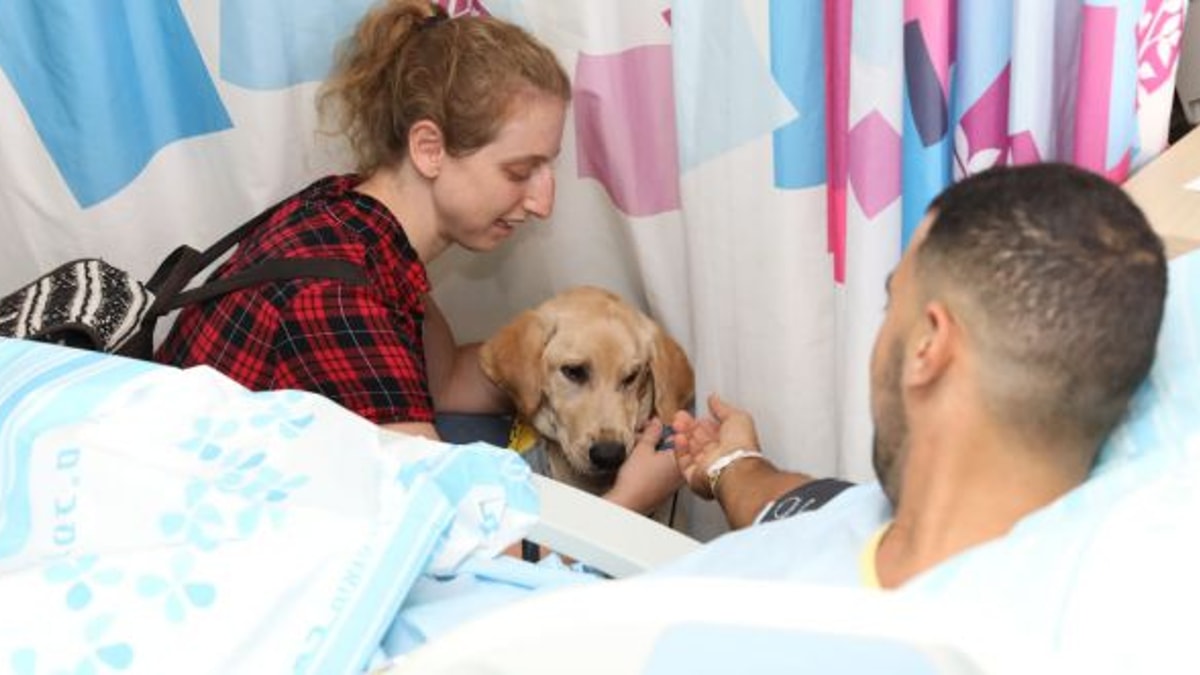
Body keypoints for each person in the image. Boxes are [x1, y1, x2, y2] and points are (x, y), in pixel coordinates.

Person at [154, 0, 680, 515]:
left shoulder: (350, 221)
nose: (544, 203)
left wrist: (578, 362)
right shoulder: (341, 297)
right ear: (429, 149)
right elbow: (457, 544)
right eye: (520, 172)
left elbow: (446, 378)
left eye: (549, 171)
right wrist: (629, 500)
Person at [664, 162, 1167, 588]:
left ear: (928, 345)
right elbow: (812, 506)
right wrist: (732, 464)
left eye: (891, 303)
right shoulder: (879, 514)